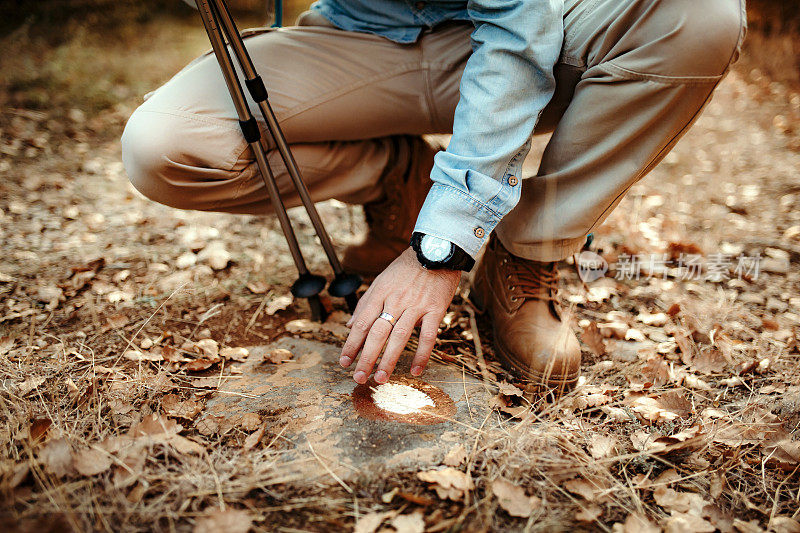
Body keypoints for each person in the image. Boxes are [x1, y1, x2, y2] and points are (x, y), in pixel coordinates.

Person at [121, 0, 746, 394]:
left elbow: (517, 35)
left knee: (701, 11)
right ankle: (395, 176)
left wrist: (442, 247)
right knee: (164, 145)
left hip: (526, 27)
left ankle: (523, 253)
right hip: (353, 33)